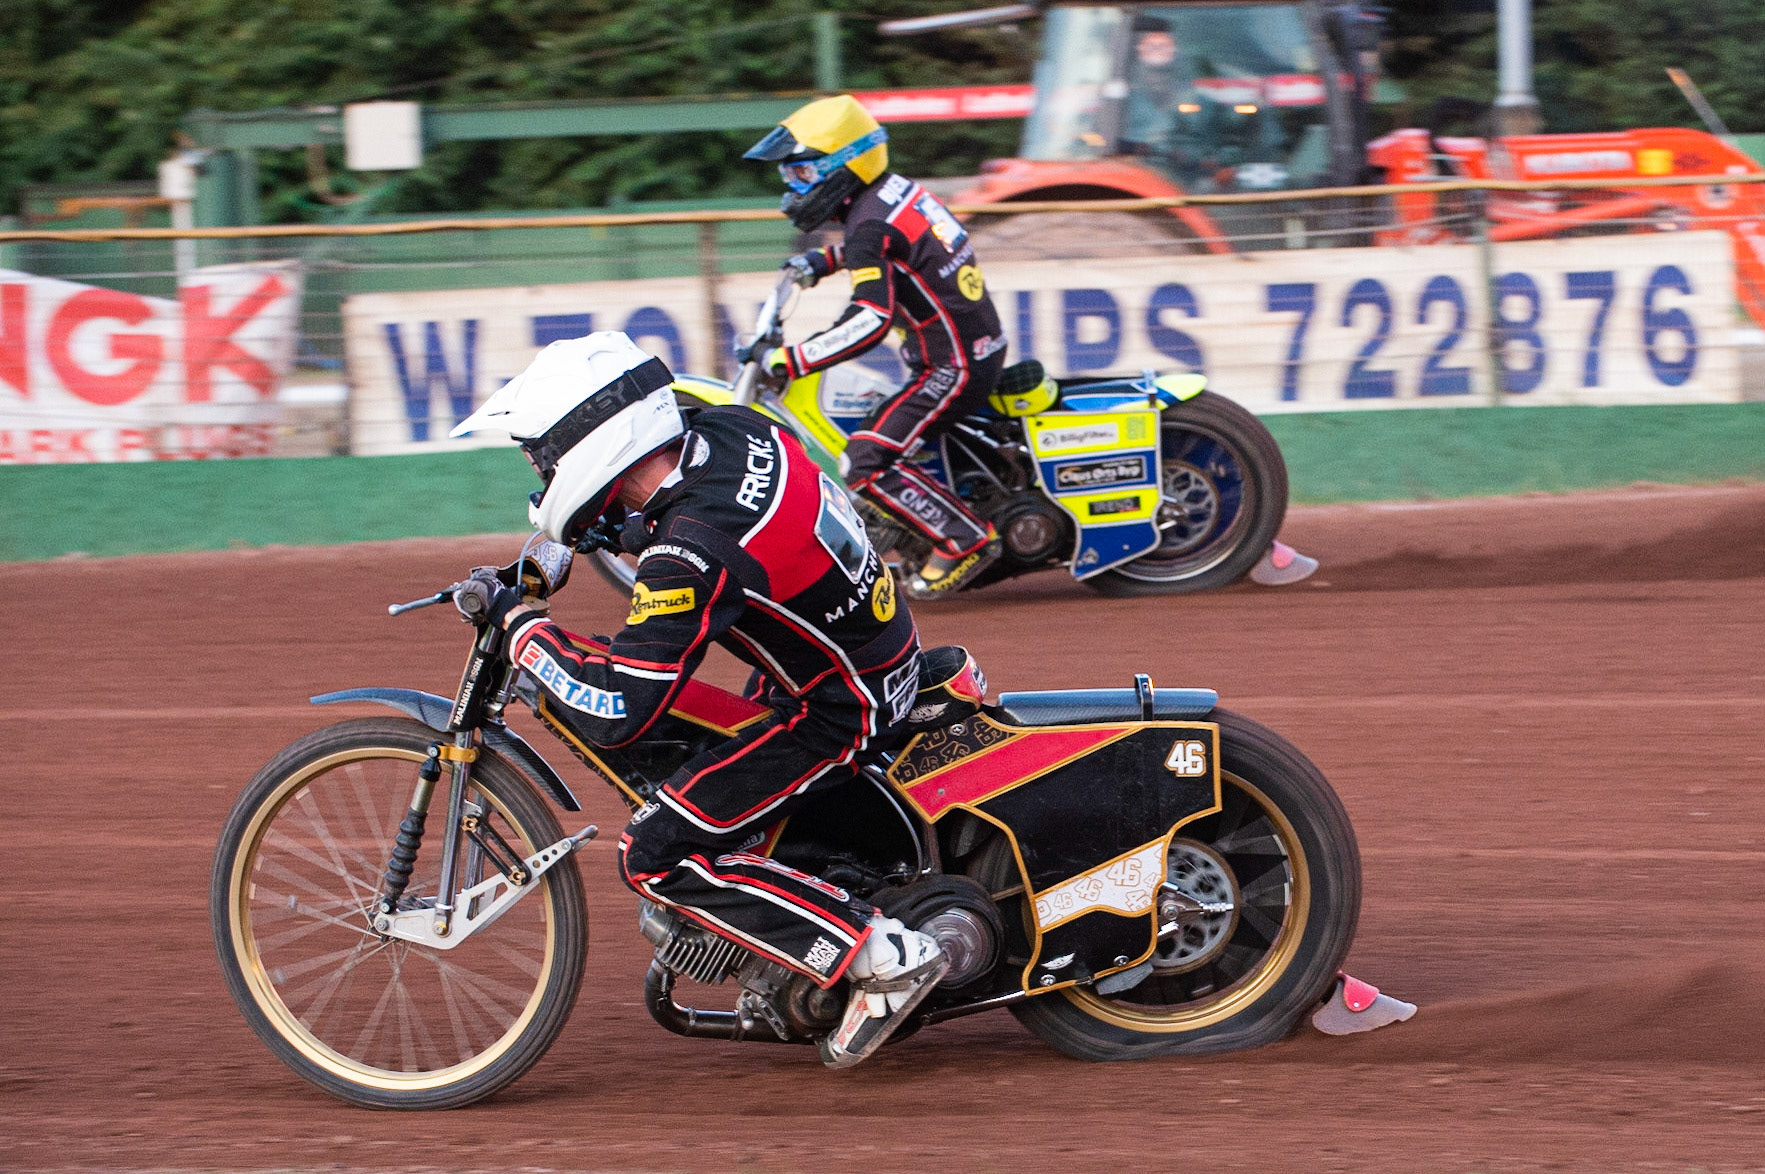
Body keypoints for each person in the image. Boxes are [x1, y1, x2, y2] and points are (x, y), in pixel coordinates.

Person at [450, 330, 946, 1067]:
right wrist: (549, 549)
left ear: (594, 442)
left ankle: (879, 955)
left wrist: (523, 629)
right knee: (711, 778)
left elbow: (619, 712)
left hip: (837, 708)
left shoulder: (692, 549)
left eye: (541, 455)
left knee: (655, 851)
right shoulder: (723, 424)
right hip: (857, 651)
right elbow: (617, 511)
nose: (537, 469)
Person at [742, 95, 1006, 599]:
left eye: (800, 174)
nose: (791, 188)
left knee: (864, 459)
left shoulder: (868, 224)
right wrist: (825, 261)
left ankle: (964, 539)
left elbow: (870, 321)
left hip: (950, 367)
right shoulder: (891, 194)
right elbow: (895, 246)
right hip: (976, 348)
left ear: (843, 165)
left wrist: (793, 359)